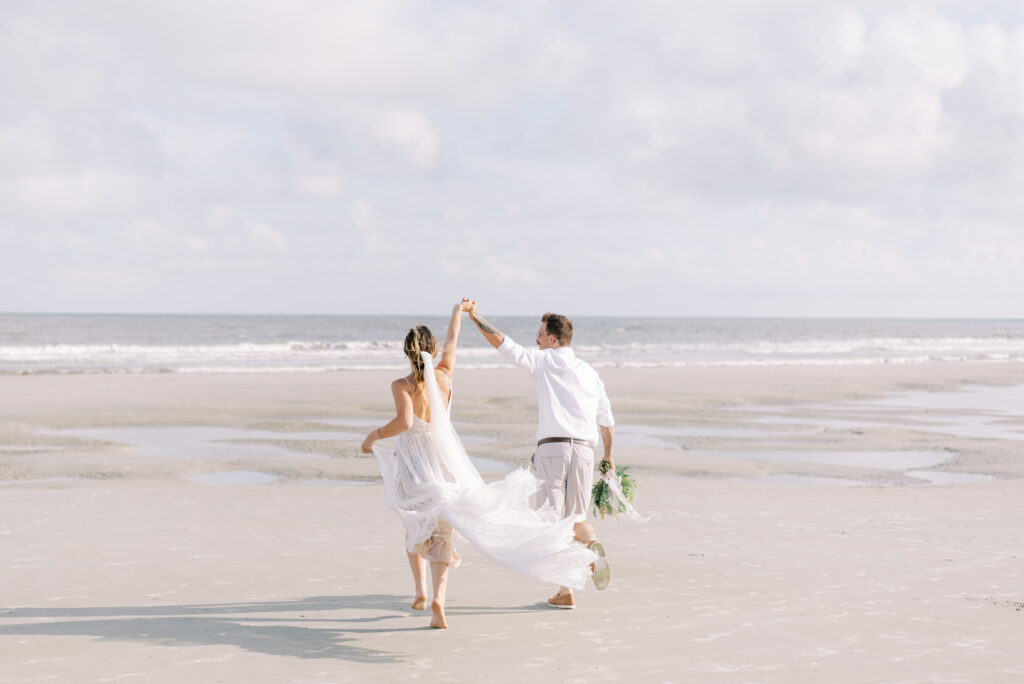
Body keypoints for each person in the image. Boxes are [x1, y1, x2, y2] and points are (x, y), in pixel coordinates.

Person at [362, 300, 595, 628]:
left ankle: (420, 590)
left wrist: (373, 436)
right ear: (434, 350)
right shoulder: (443, 377)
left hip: (414, 465)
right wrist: (459, 313)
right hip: (444, 463)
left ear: (406, 352)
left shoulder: (401, 385)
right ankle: (439, 600)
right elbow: (453, 342)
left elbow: (404, 421)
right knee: (444, 530)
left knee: (414, 521)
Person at [466, 302, 614, 609]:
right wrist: (609, 457)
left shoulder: (544, 361)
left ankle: (582, 557)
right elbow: (607, 421)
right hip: (586, 451)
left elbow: (502, 344)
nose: (536, 340)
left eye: (540, 334)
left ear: (553, 340)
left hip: (553, 450)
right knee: (575, 519)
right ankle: (568, 585)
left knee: (551, 524)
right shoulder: (591, 373)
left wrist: (474, 317)